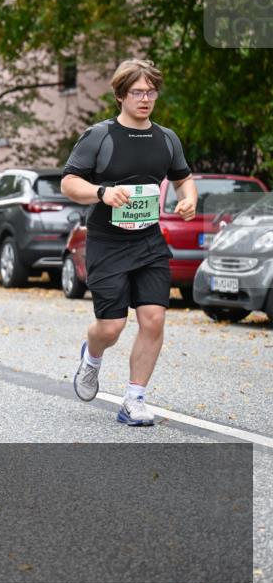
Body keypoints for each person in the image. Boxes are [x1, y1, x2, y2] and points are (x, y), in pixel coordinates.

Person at [62, 59, 196, 426]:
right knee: (111, 327)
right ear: (120, 95)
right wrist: (102, 193)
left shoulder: (166, 138)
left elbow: (184, 178)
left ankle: (134, 400)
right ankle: (91, 357)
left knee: (153, 320)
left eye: (151, 91)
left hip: (149, 242)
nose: (146, 98)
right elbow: (69, 182)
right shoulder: (99, 136)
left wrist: (189, 198)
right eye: (137, 91)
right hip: (107, 242)